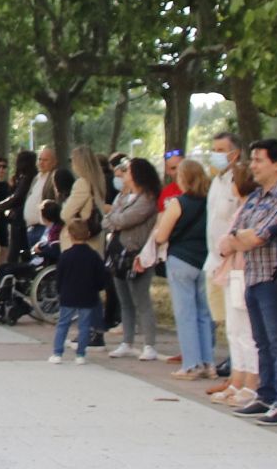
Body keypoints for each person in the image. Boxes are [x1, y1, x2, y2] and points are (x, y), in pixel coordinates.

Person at [222, 140, 277, 423]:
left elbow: (259, 236)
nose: (252, 166)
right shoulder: (256, 197)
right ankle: (265, 394)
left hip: (272, 277)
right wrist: (240, 238)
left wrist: (242, 238)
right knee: (261, 341)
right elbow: (229, 237)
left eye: (258, 160)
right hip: (251, 274)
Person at [208, 153, 260, 406]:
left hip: (242, 271)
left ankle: (251, 382)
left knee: (245, 330)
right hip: (232, 272)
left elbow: (231, 241)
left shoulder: (249, 208)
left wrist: (229, 242)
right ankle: (237, 378)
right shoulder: (242, 208)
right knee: (234, 329)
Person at [157, 155, 216, 378]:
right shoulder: (211, 202)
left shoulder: (177, 203)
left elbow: (161, 235)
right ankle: (208, 361)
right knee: (204, 313)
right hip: (205, 260)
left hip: (181, 259)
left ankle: (191, 363)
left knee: (186, 314)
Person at [103, 159, 163, 357]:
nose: (123, 175)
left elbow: (123, 219)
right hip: (118, 252)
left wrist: (114, 218)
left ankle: (149, 345)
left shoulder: (147, 199)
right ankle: (126, 341)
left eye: (127, 171)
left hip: (137, 253)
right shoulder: (123, 197)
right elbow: (108, 220)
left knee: (141, 298)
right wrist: (113, 219)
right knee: (124, 299)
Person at [49, 215, 108, 366]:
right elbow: (101, 276)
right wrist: (98, 288)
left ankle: (57, 353)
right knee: (84, 326)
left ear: (69, 234)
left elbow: (59, 276)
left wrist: (59, 290)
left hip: (68, 294)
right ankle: (80, 354)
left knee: (63, 324)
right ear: (88, 234)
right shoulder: (94, 256)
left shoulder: (66, 256)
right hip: (88, 295)